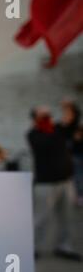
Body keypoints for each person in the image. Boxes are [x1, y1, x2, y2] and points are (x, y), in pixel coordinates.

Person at [27, 106, 81, 261]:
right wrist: (57, 126)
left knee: (67, 217)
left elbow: (73, 123)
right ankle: (32, 247)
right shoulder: (33, 134)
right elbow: (45, 145)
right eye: (43, 115)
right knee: (40, 217)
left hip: (66, 181)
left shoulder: (58, 130)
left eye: (48, 114)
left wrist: (71, 110)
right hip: (46, 184)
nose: (47, 117)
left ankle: (65, 246)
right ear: (35, 118)